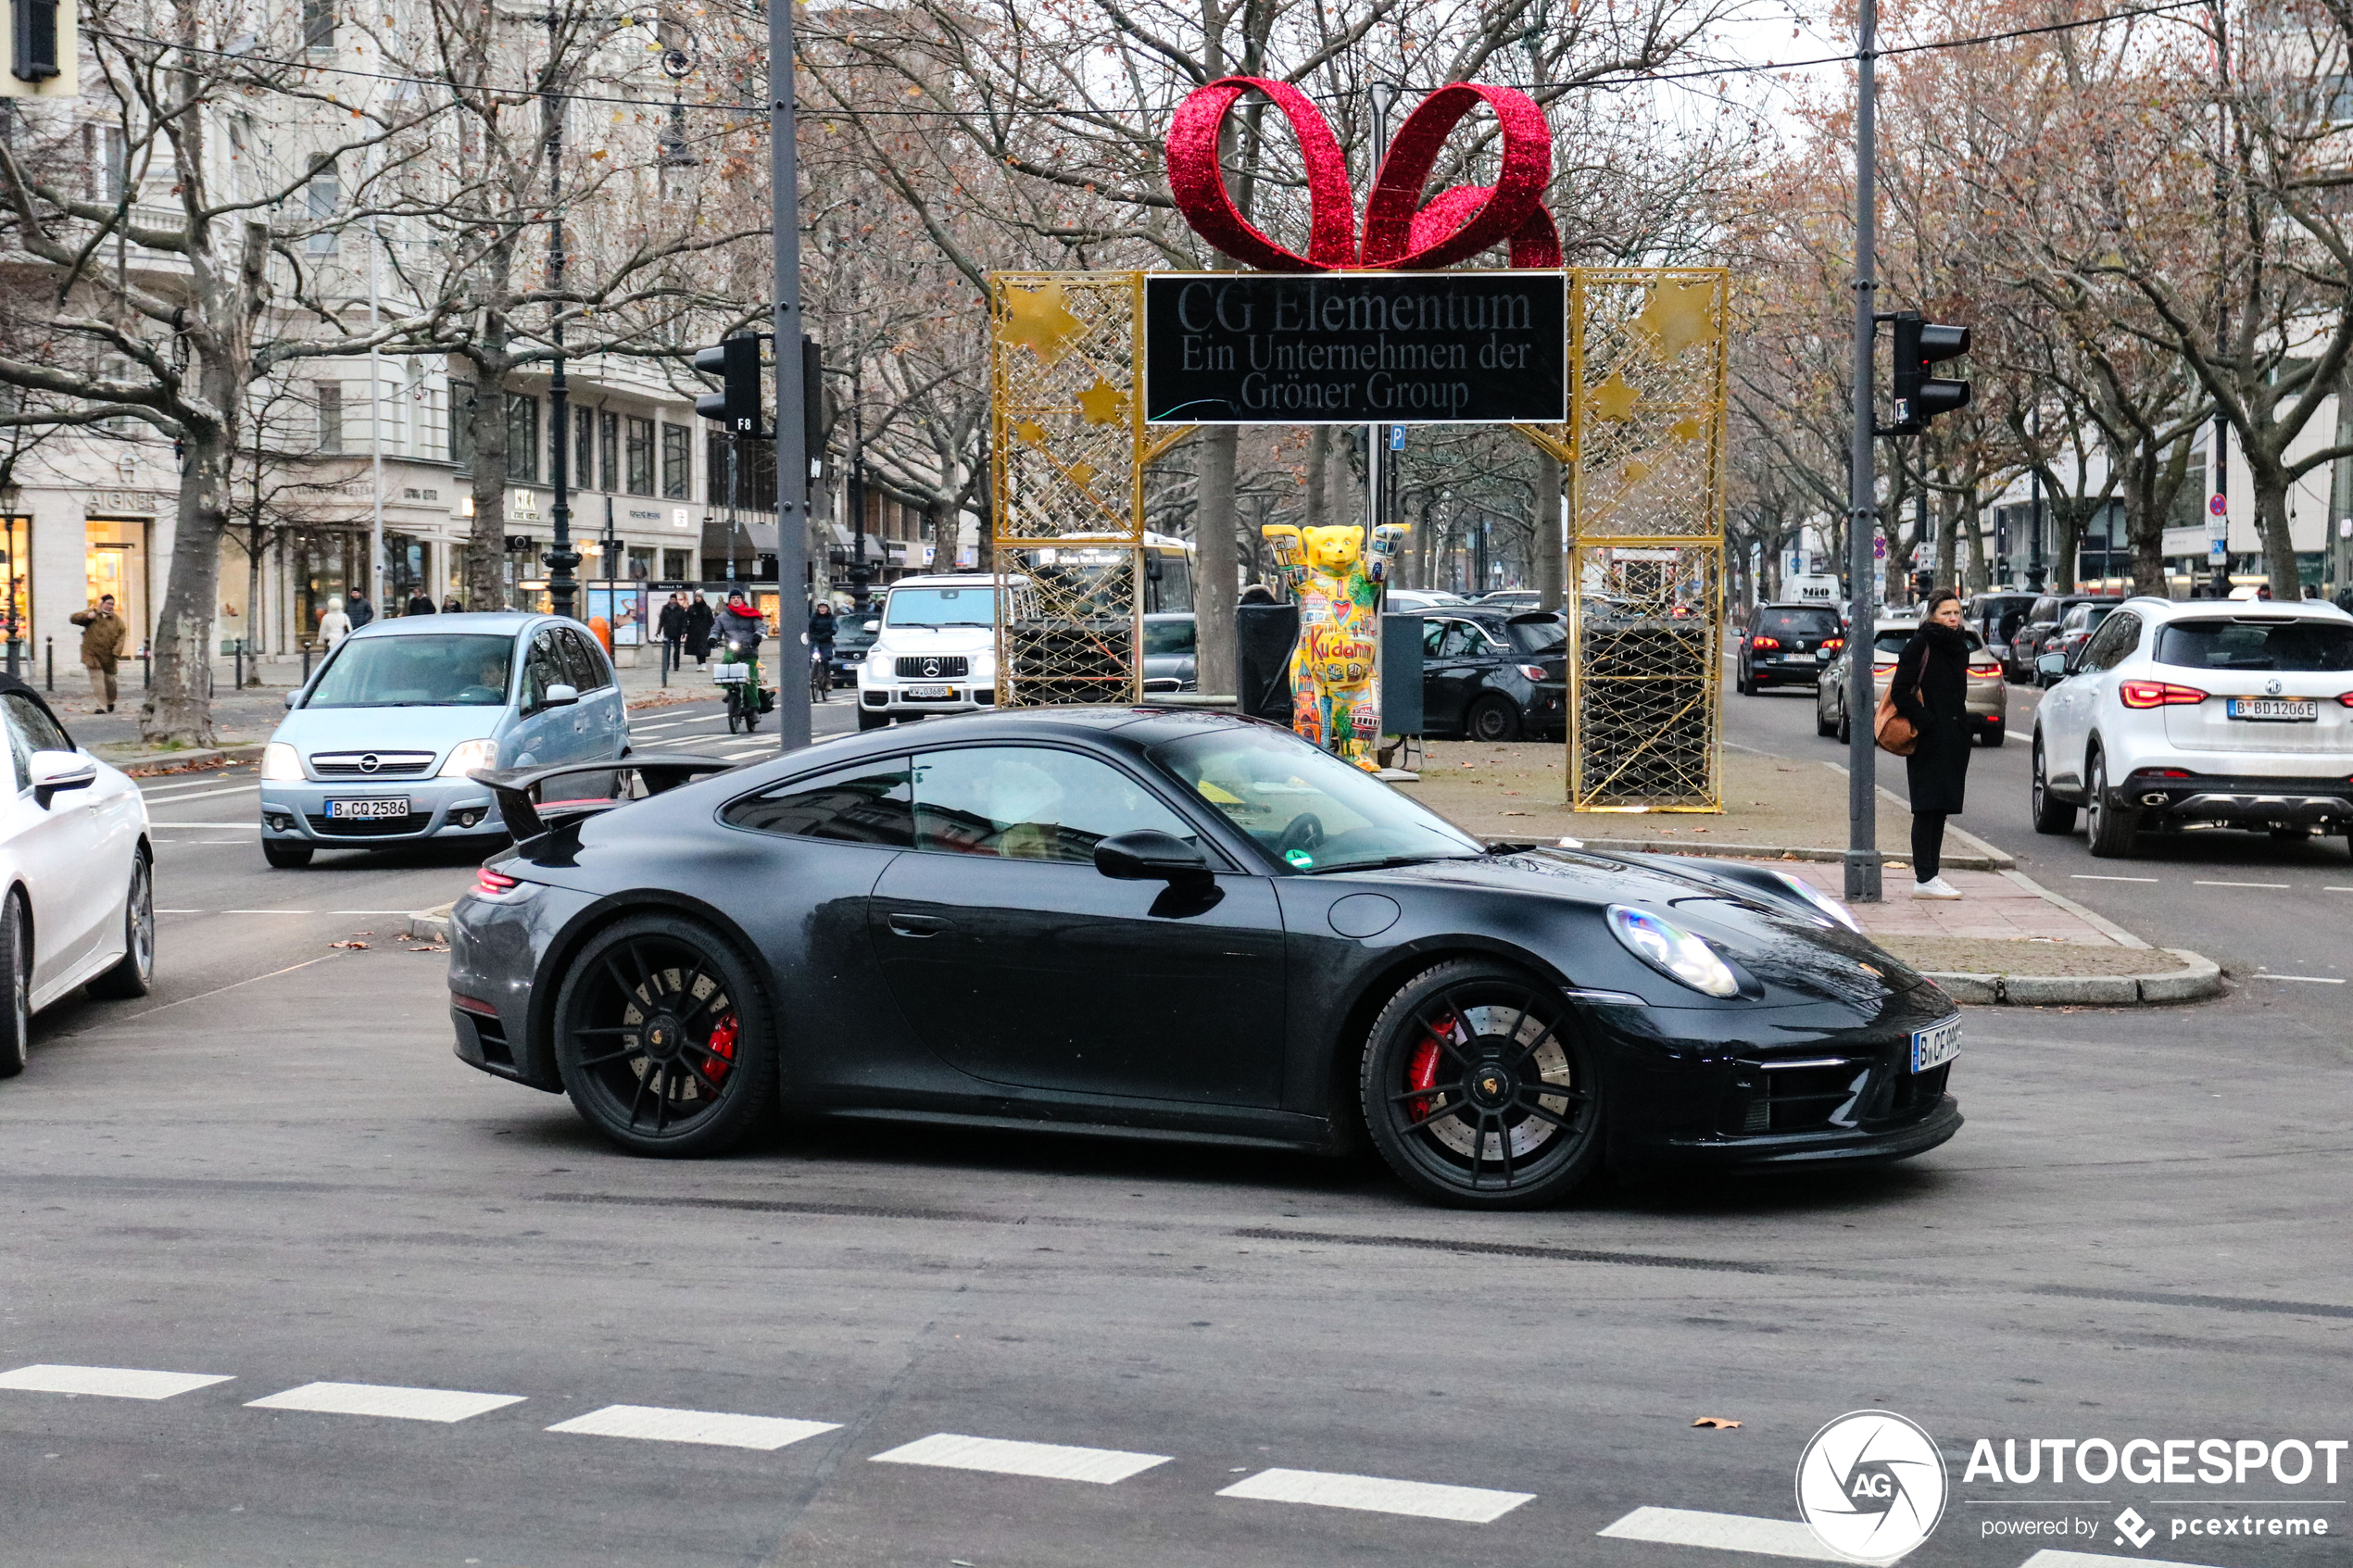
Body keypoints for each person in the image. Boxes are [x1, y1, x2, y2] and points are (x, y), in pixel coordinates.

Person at [1891, 588, 1973, 900]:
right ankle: (1924, 877)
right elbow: (1900, 692)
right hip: (1929, 739)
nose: (1953, 619)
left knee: (1940, 809)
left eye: (1956, 613)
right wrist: (1928, 724)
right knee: (1926, 808)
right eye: (1946, 613)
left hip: (1954, 739)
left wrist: (1962, 730)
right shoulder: (1920, 644)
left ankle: (1931, 875)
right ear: (1932, 616)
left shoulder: (1960, 648)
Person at [69, 593, 130, 712]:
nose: (110, 606)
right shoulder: (92, 614)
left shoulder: (117, 621)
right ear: (101, 603)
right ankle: (101, 706)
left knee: (110, 682)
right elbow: (73, 618)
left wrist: (116, 652)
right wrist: (87, 616)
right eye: (108, 603)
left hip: (109, 656)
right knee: (97, 681)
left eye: (112, 604)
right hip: (92, 655)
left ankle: (110, 701)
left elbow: (122, 637)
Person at [657, 593, 688, 670]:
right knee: (667, 649)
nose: (673, 601)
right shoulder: (665, 608)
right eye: (671, 599)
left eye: (674, 599)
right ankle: (666, 666)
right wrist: (659, 630)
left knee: (677, 650)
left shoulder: (680, 609)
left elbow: (684, 621)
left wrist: (683, 631)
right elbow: (662, 620)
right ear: (669, 600)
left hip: (677, 632)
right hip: (667, 631)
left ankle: (676, 666)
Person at [685, 591, 714, 667]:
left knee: (703, 648)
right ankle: (699, 664)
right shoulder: (691, 608)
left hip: (704, 631)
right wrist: (686, 629)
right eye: (696, 597)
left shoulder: (706, 608)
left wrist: (713, 630)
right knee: (696, 648)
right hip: (694, 631)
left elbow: (711, 620)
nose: (697, 598)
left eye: (699, 597)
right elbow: (686, 619)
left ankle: (703, 663)